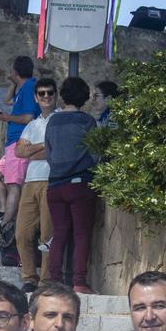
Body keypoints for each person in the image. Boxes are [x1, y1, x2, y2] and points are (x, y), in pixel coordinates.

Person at [40, 76, 102, 292]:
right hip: (80, 183)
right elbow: (96, 153)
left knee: (59, 234)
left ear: (63, 96)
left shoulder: (53, 122)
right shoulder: (87, 122)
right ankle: (78, 282)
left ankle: (54, 280)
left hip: (55, 185)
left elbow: (48, 152)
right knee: (81, 233)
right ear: (84, 97)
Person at [9, 76, 62, 295]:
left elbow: (58, 149)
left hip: (52, 179)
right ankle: (29, 277)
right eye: (42, 94)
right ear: (36, 97)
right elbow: (19, 152)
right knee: (22, 233)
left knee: (47, 234)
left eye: (50, 93)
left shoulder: (60, 120)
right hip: (30, 182)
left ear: (56, 95)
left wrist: (34, 150)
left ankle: (46, 280)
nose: (46, 97)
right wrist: (44, 147)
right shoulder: (32, 124)